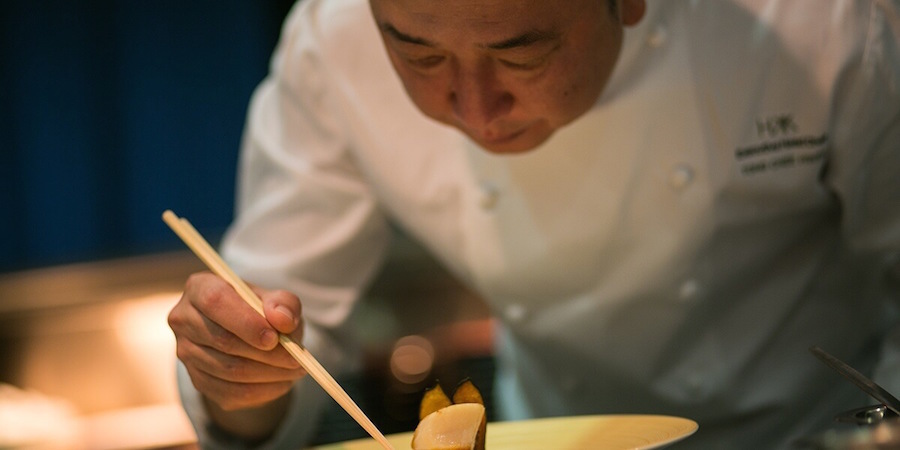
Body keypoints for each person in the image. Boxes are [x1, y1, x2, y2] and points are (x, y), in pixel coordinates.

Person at [167, 0, 900, 447]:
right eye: (418, 54)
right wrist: (238, 374)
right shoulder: (331, 50)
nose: (476, 110)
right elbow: (273, 354)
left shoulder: (826, 20)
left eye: (523, 52)